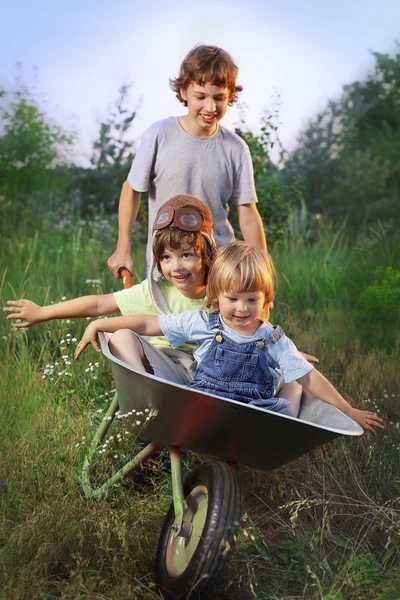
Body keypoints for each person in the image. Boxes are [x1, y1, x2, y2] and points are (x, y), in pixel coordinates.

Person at [77, 242, 383, 434]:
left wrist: (348, 410)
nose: (241, 308)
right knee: (129, 343)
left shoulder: (272, 338)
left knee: (294, 382)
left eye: (252, 299)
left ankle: (288, 398)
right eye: (233, 298)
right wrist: (102, 325)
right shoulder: (202, 323)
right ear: (216, 295)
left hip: (256, 412)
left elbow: (311, 378)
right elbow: (147, 323)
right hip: (204, 404)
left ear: (266, 298)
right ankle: (155, 410)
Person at [4, 195, 217, 385]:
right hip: (166, 371)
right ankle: (143, 398)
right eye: (166, 257)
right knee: (121, 336)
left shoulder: (225, 291)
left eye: (187, 255)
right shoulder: (155, 291)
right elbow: (99, 303)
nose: (176, 266)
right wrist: (42, 312)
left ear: (207, 252)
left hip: (216, 374)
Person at [107, 44, 266, 279]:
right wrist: (123, 247)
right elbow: (131, 191)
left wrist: (262, 271)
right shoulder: (158, 135)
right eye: (200, 96)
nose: (210, 107)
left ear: (230, 96)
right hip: (168, 268)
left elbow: (248, 214)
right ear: (183, 92)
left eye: (219, 98)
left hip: (218, 272)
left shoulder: (236, 148)